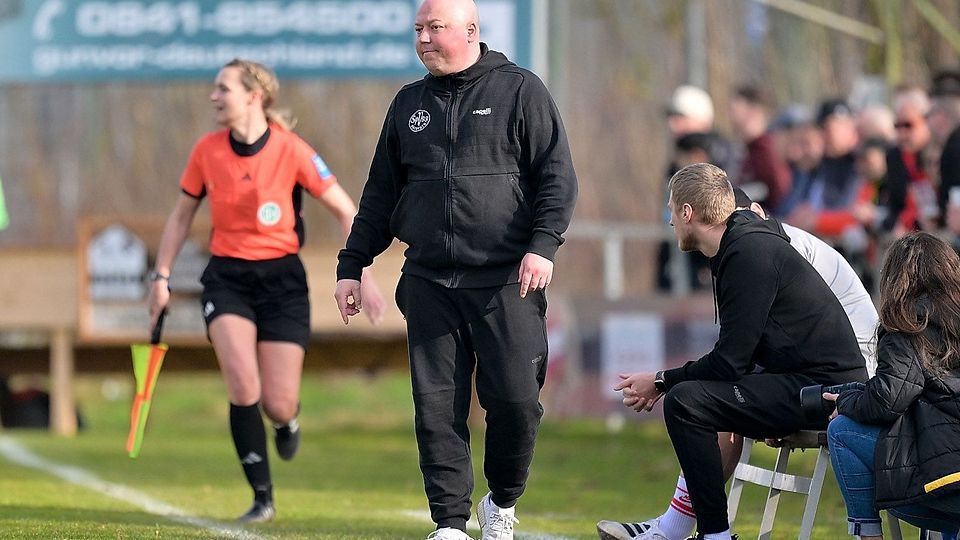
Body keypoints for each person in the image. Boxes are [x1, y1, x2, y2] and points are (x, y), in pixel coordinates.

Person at [333, 1, 578, 539]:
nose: (423, 38)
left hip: (507, 280)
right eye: (418, 29)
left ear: (470, 31)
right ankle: (449, 522)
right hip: (429, 282)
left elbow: (557, 177)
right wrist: (352, 264)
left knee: (516, 402)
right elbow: (379, 195)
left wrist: (543, 246)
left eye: (434, 28)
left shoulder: (520, 90)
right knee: (436, 407)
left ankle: (502, 500)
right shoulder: (408, 104)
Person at [147, 58, 385, 523]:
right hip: (227, 279)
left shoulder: (292, 150)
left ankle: (287, 419)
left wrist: (364, 272)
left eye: (224, 89)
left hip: (283, 283)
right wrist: (161, 277)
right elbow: (181, 217)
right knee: (243, 384)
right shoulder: (206, 151)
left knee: (277, 401)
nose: (214, 96)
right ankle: (262, 498)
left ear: (254, 96)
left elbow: (346, 211)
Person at [597, 163, 865, 540]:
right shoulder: (739, 245)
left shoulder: (749, 251)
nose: (669, 220)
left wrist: (660, 381)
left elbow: (729, 362)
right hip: (802, 380)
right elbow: (740, 358)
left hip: (827, 391)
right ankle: (677, 529)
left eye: (671, 209)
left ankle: (712, 535)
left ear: (687, 213)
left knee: (686, 401)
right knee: (699, 398)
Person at [827, 231, 960, 539]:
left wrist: (845, 402)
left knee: (842, 431)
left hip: (947, 481)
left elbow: (888, 399)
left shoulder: (908, 325)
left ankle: (868, 533)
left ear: (895, 280)